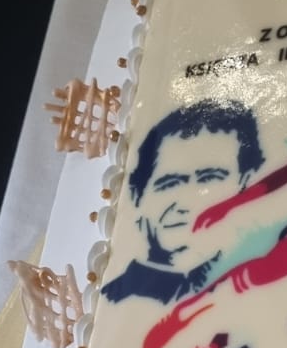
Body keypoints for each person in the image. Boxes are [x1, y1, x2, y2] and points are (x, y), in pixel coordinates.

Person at [102, 100, 265, 304]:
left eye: (210, 178)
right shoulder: (118, 299)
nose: (187, 204)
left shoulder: (267, 281)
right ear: (137, 196)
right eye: (170, 184)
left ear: (245, 185)